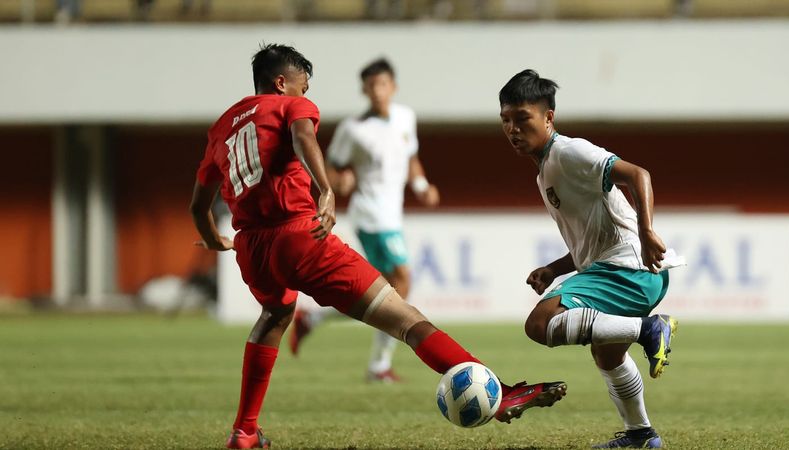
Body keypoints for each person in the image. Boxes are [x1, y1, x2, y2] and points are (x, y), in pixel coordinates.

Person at [190, 45, 566, 449]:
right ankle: (500, 392)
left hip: (251, 247)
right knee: (405, 318)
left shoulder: (223, 126)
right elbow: (302, 137)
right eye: (303, 87)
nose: (306, 93)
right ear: (282, 83)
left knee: (273, 314)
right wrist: (326, 190)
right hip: (300, 235)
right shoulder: (289, 108)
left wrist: (215, 238)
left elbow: (198, 204)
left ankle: (244, 431)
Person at [497, 69, 684, 449]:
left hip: (630, 267)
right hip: (622, 268)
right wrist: (555, 268)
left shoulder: (569, 152)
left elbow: (638, 174)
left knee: (540, 323)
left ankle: (650, 330)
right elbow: (590, 240)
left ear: (548, 117)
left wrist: (647, 231)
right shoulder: (546, 170)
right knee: (607, 353)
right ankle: (641, 435)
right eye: (505, 121)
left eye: (522, 119)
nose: (513, 130)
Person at [287, 58, 439, 383]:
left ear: (393, 87)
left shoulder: (405, 118)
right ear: (364, 90)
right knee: (401, 282)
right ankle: (379, 365)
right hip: (371, 213)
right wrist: (337, 183)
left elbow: (410, 157)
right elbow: (330, 166)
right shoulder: (353, 129)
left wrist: (421, 186)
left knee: (380, 292)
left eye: (382, 84)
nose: (377, 91)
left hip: (392, 212)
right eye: (371, 86)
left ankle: (312, 319)